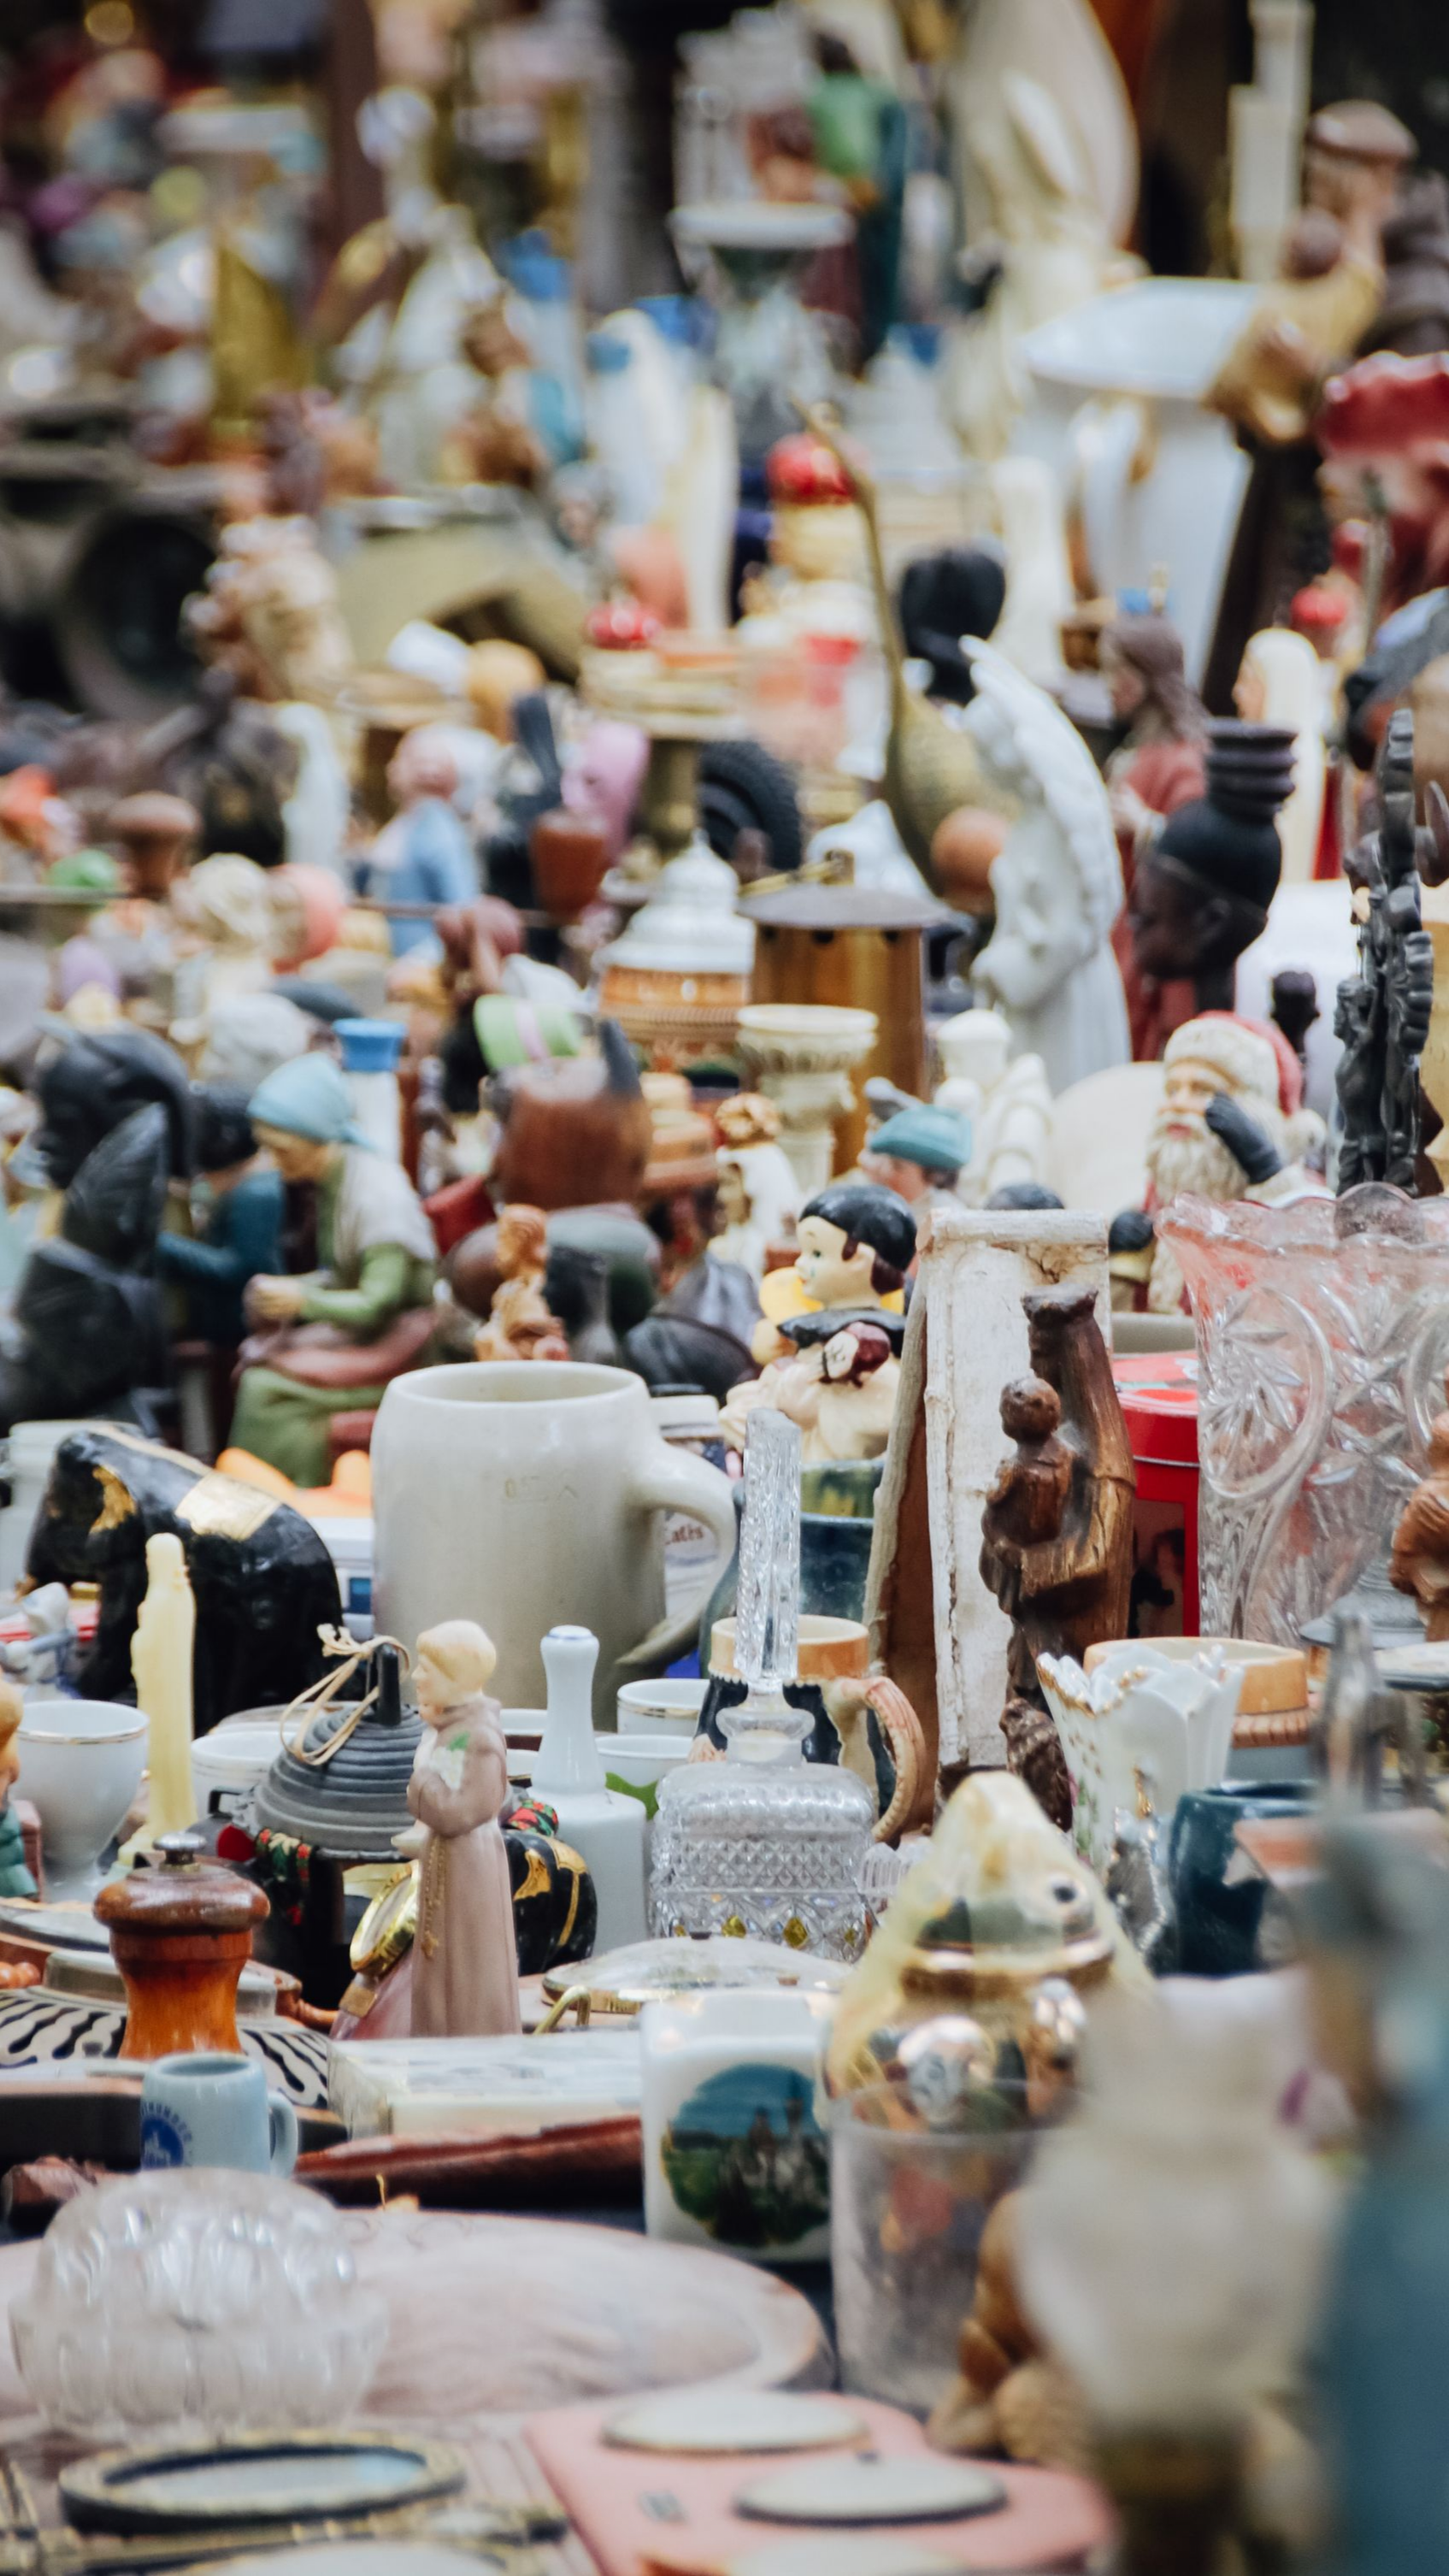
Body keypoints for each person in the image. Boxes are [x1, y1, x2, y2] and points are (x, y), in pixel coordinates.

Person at [230, 1052, 437, 1484]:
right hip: (368, 1331)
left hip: (400, 1341)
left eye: (282, 1149)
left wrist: (303, 1300)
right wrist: (290, 1289)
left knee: (264, 1390)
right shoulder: (334, 1179)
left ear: (316, 1136)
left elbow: (376, 1303)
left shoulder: (377, 1198)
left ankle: (289, 1490)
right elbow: (343, 1274)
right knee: (260, 1359)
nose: (273, 1161)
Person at [1112, 1011, 1326, 1315]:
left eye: (1202, 1090)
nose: (1178, 1103)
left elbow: (1312, 1285)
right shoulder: (1157, 1207)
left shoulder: (1302, 1199)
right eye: (1173, 1090)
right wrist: (1120, 1261)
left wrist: (1269, 1175)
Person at [403, 1619, 521, 2039]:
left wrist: (419, 1779)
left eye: (426, 1670)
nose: (416, 1677)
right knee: (445, 1964)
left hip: (469, 1867)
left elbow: (457, 1810)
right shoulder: (453, 1733)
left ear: (453, 1678)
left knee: (467, 1967)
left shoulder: (477, 1739)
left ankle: (467, 2045)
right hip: (453, 1859)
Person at [156, 1087, 284, 1348]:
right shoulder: (243, 1181)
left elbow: (240, 1269)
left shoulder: (256, 1193)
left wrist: (160, 1244)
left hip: (236, 1328)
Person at [367, 728, 479, 957]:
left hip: (422, 960)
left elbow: (460, 904)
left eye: (400, 759)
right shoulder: (413, 821)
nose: (391, 767)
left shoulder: (436, 828)